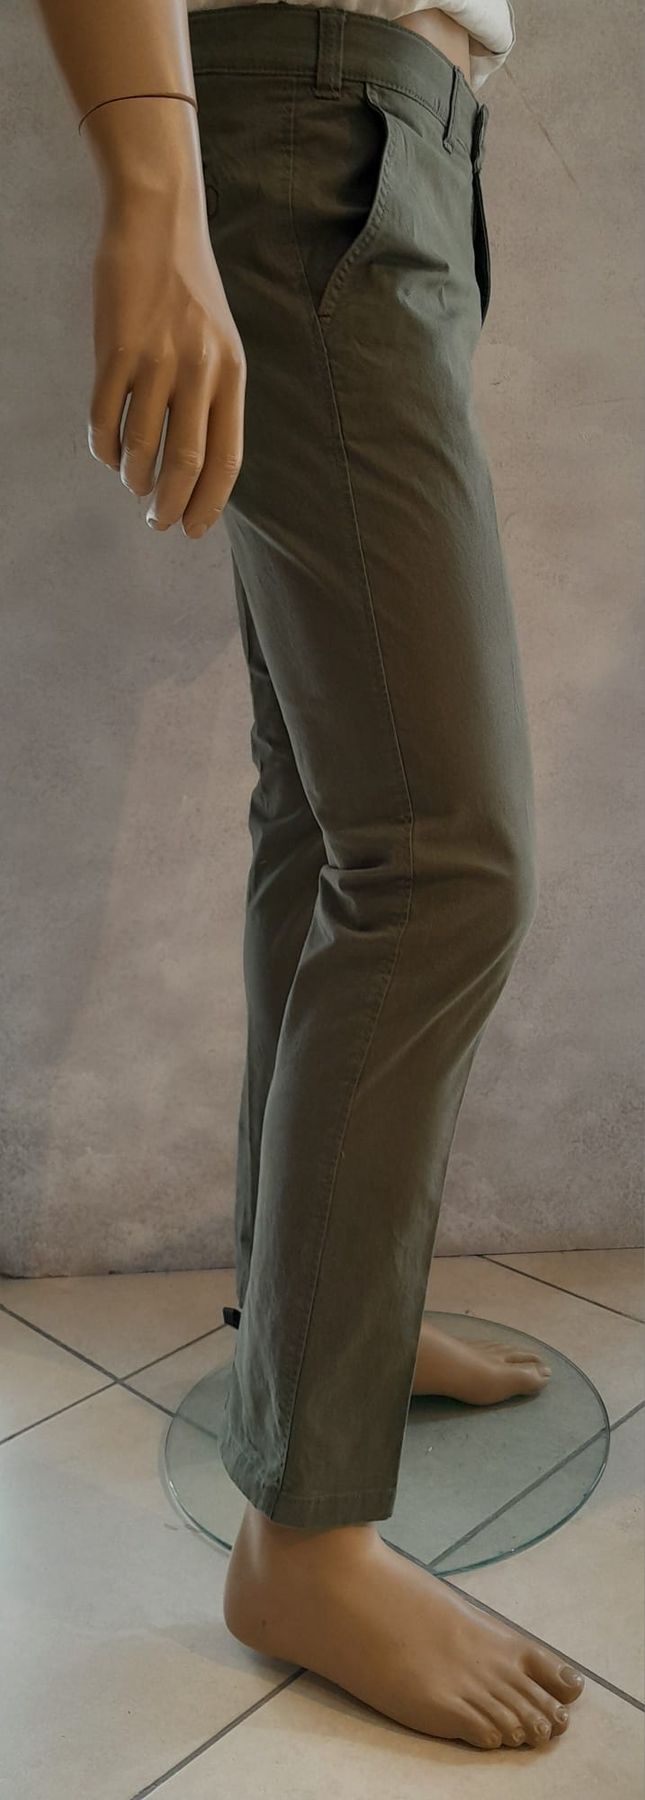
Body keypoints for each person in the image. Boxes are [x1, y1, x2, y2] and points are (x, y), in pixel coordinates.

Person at [34, 0, 586, 1753]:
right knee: (443, 860)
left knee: (338, 818)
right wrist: (153, 185)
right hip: (303, 133)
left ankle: (328, 1342)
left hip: (391, 143)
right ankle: (307, 1536)